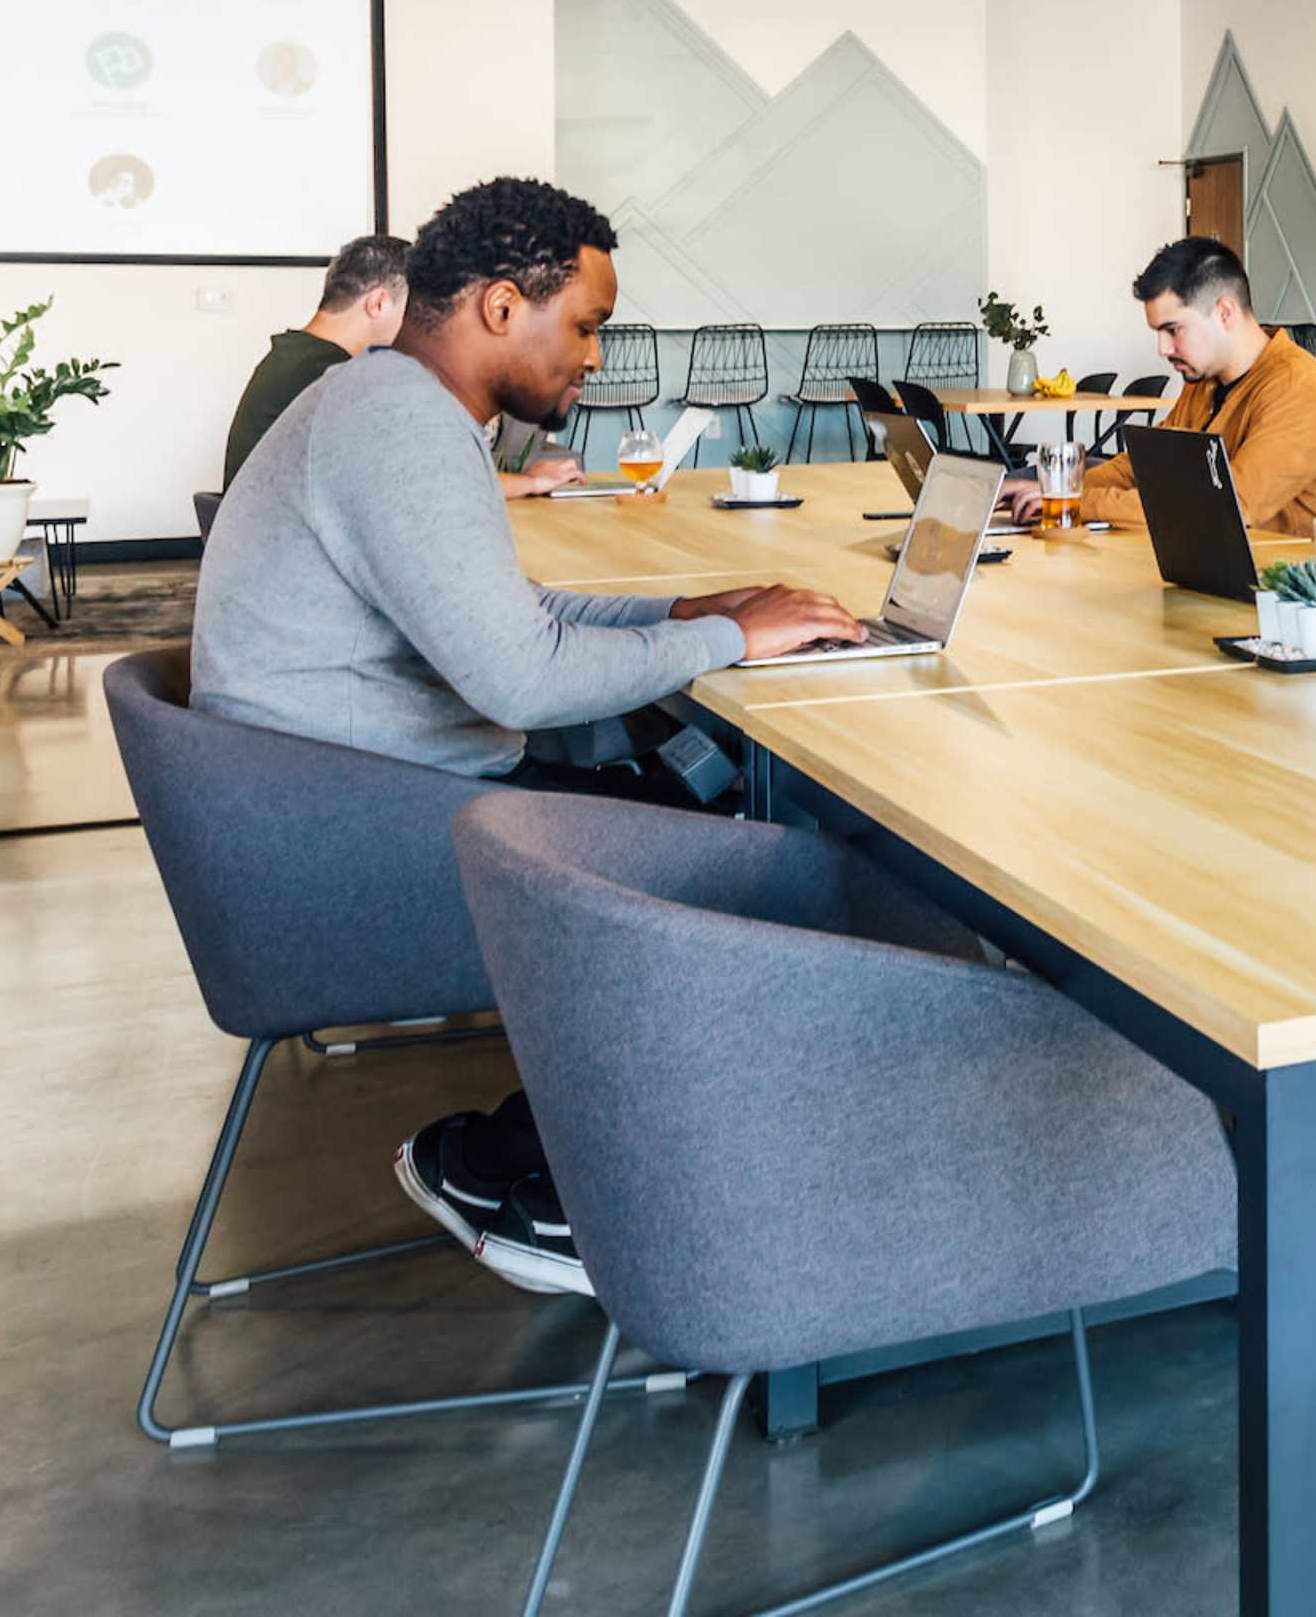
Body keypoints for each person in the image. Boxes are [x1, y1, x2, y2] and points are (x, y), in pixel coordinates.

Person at [194, 175, 864, 1293]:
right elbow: (520, 669)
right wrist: (732, 645)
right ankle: (552, 1185)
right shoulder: (397, 424)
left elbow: (513, 621)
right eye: (588, 326)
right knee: (779, 870)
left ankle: (531, 1154)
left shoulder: (387, 405)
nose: (595, 358)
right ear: (504, 306)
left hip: (335, 800)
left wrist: (684, 613)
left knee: (696, 788)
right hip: (357, 842)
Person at [226, 233, 580, 495]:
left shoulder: (294, 358)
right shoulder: (336, 378)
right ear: (378, 304)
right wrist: (532, 481)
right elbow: (426, 481)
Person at [1076, 236, 1316, 537]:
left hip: (1291, 578)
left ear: (1224, 313)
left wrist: (1078, 503)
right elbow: (1147, 467)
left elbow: (1225, 505)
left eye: (1173, 330)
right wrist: (1059, 488)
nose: (1163, 348)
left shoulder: (1300, 389)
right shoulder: (1204, 382)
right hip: (1214, 565)